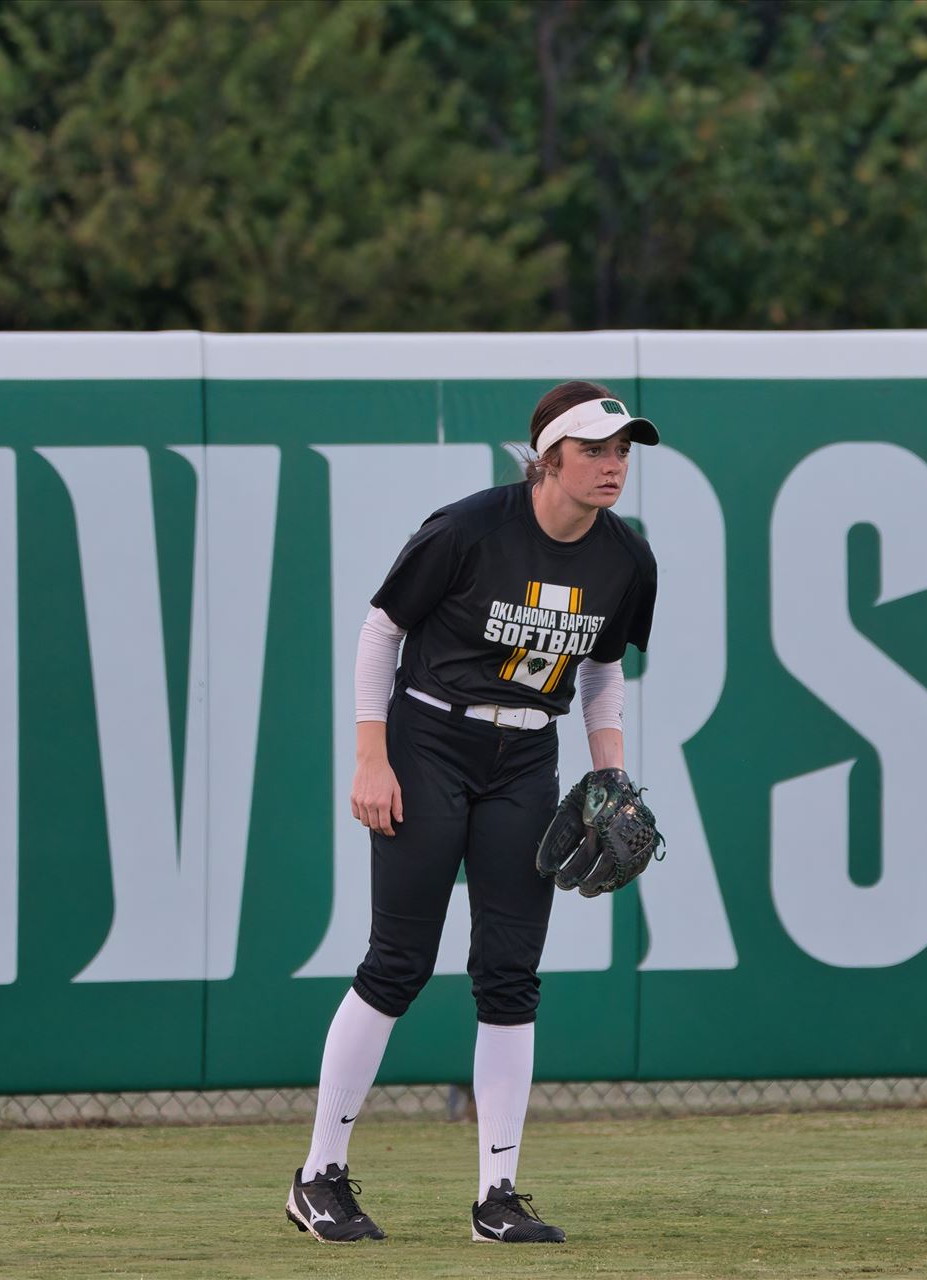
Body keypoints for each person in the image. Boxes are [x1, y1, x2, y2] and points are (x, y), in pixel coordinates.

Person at [285, 380, 660, 1245]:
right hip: (430, 742)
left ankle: (499, 1194)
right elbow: (383, 628)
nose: (613, 467)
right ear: (549, 456)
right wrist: (371, 757)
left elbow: (601, 671)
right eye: (596, 451)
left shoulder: (625, 559)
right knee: (398, 963)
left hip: (529, 756)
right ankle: (318, 1177)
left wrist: (612, 780)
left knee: (510, 975)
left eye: (623, 452)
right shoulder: (470, 526)